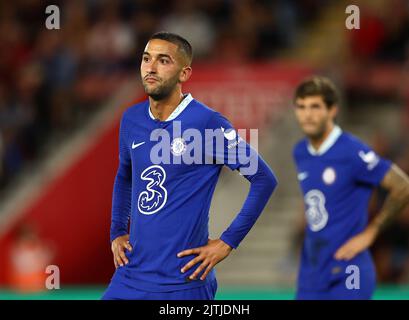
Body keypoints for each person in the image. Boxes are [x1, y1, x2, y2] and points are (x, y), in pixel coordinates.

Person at [101, 32, 278, 300]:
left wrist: (227, 242)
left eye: (163, 61)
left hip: (183, 281)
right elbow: (125, 175)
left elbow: (264, 179)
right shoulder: (131, 119)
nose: (151, 67)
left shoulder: (207, 123)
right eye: (146, 58)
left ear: (184, 74)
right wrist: (116, 231)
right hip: (131, 276)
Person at [292, 76, 409, 300]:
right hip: (313, 269)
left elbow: (402, 186)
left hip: (349, 267)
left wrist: (371, 231)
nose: (307, 114)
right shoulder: (301, 152)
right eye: (301, 107)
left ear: (332, 110)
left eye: (315, 107)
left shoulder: (352, 151)